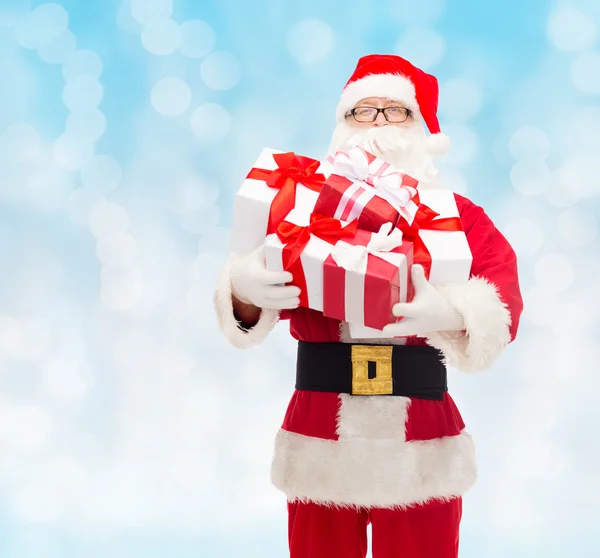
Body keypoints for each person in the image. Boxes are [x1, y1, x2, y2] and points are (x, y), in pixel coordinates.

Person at [213, 54, 523, 558]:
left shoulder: (458, 216)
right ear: (343, 124)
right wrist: (243, 287)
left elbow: (503, 297)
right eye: (363, 110)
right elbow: (252, 306)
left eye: (395, 110)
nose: (378, 122)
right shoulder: (300, 208)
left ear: (421, 127)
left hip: (420, 432)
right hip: (321, 427)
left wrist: (452, 312)